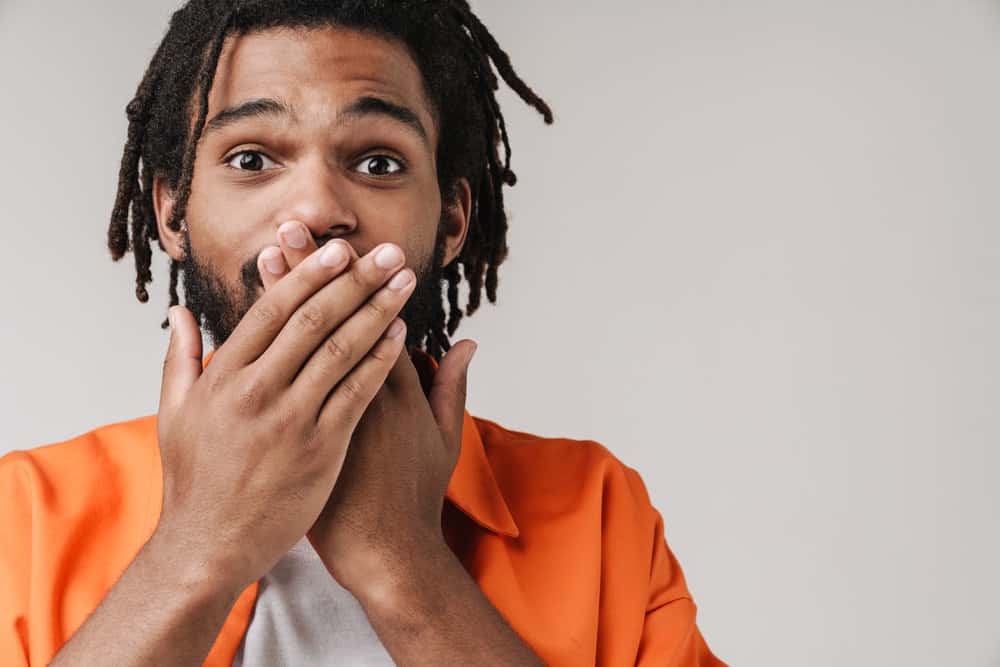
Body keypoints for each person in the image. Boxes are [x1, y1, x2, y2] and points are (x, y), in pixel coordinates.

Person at [0, 1, 727, 665]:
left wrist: (403, 562)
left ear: (449, 221)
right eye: (251, 159)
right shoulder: (24, 512)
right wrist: (200, 545)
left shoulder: (597, 512)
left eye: (378, 162)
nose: (316, 208)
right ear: (171, 212)